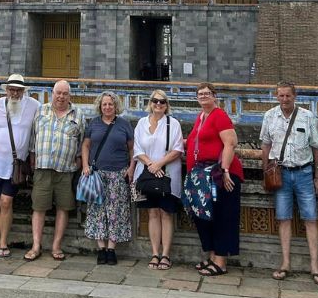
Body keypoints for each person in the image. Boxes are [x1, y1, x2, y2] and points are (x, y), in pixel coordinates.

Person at [260, 81, 318, 284]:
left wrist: (317, 176)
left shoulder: (307, 116)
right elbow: (265, 145)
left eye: (288, 96)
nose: (284, 99)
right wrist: (266, 172)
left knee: (311, 218)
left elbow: (316, 147)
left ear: (294, 96)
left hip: (304, 173)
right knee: (284, 218)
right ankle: (285, 262)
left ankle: (315, 265)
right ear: (276, 96)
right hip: (282, 174)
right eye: (281, 96)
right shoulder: (270, 116)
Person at [186, 82, 243, 276]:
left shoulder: (219, 115)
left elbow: (231, 142)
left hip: (219, 175)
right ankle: (212, 257)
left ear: (214, 96)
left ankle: (221, 261)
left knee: (222, 216)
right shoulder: (201, 117)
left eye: (207, 93)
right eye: (200, 94)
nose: (203, 96)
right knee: (206, 217)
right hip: (203, 176)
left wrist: (225, 169)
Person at [25, 79, 83, 262]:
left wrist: (80, 160)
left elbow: (82, 141)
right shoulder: (41, 110)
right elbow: (33, 137)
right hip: (42, 167)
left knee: (63, 207)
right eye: (58, 92)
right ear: (52, 93)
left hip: (66, 169)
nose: (61, 96)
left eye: (65, 93)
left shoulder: (78, 114)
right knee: (39, 206)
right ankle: (36, 245)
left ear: (70, 95)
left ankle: (56, 246)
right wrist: (32, 159)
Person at [0, 74, 40, 259]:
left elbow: (37, 131)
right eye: (11, 90)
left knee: (6, 201)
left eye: (18, 90)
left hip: (16, 165)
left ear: (24, 91)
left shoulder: (34, 106)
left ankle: (3, 240)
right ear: (6, 90)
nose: (15, 93)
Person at [132, 88, 184, 270]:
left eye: (162, 102)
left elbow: (178, 149)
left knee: (165, 213)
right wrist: (151, 165)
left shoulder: (173, 124)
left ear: (166, 105)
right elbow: (137, 149)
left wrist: (159, 164)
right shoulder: (141, 123)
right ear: (150, 103)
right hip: (147, 176)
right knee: (152, 213)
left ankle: (166, 255)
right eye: (155, 101)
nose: (158, 105)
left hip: (167, 175)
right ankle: (155, 253)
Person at [81, 91, 134, 264]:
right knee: (97, 212)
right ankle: (101, 248)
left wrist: (131, 168)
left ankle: (111, 249)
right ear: (100, 106)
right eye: (104, 104)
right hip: (97, 174)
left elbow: (132, 149)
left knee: (116, 212)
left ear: (115, 106)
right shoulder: (94, 124)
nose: (107, 107)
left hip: (118, 174)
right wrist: (85, 165)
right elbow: (86, 146)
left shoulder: (124, 124)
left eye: (110, 104)